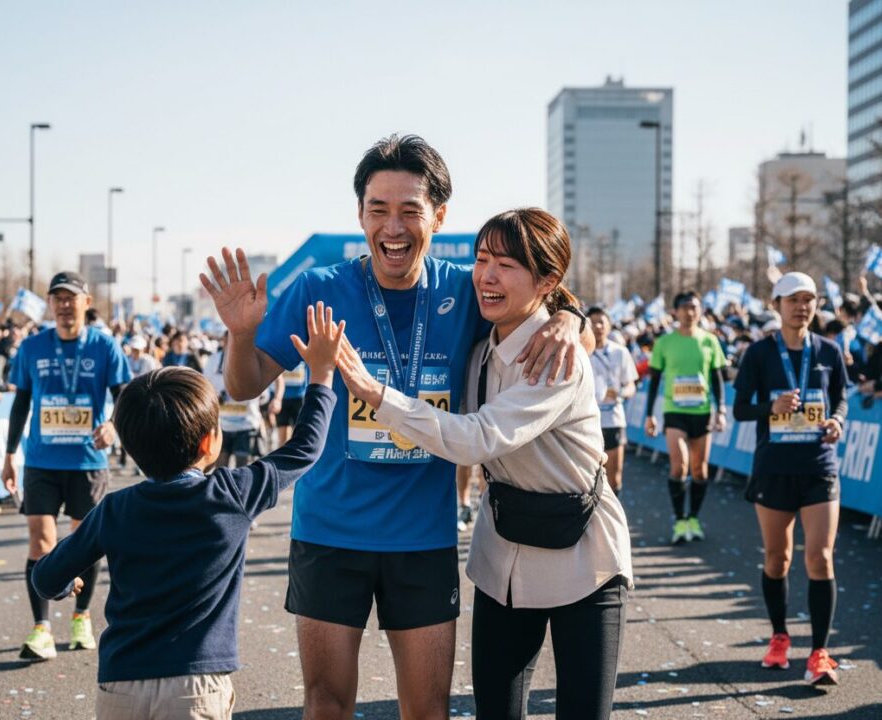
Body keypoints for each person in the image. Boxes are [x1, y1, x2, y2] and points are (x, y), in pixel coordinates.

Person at [200, 134, 591, 719]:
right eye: (378, 210)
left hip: (423, 537)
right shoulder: (318, 290)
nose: (394, 227)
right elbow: (246, 384)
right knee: (326, 703)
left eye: (410, 210)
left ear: (439, 215)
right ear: (359, 214)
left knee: (427, 710)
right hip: (330, 530)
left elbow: (536, 298)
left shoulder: (465, 288)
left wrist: (567, 317)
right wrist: (240, 333)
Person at [331, 208, 632, 720]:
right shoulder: (479, 342)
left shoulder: (558, 358)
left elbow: (477, 439)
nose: (486, 275)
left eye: (506, 264)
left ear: (547, 280)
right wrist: (570, 315)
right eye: (481, 258)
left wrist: (376, 395)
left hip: (584, 554)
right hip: (504, 555)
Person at [31, 304, 340, 720]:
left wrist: (65, 586)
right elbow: (304, 449)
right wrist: (321, 376)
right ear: (209, 444)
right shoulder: (231, 495)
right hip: (197, 686)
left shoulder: (115, 509)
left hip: (121, 683)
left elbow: (45, 577)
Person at [1, 271, 132, 661]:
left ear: (86, 301)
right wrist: (9, 455)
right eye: (57, 297)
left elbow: (123, 396)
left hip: (87, 461)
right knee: (41, 543)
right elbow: (21, 404)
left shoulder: (105, 346)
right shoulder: (32, 347)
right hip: (41, 460)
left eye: (71, 297)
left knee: (84, 545)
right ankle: (41, 628)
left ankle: (80, 616)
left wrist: (113, 425)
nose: (63, 303)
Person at [732, 272, 847, 686]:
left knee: (820, 557)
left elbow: (842, 398)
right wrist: (772, 405)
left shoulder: (830, 350)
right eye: (792, 299)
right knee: (777, 558)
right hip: (775, 468)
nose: (802, 306)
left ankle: (819, 653)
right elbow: (740, 409)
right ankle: (780, 637)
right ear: (775, 304)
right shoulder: (760, 353)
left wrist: (836, 420)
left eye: (809, 299)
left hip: (819, 465)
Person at [644, 291, 728, 544]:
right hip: (675, 411)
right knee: (679, 465)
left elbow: (717, 378)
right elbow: (655, 380)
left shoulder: (710, 341)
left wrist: (721, 409)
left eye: (695, 307)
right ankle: (680, 520)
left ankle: (694, 517)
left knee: (700, 470)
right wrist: (649, 414)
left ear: (701, 311)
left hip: (702, 412)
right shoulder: (664, 343)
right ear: (676, 312)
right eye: (685, 307)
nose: (690, 312)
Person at [587, 306, 639, 496]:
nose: (597, 326)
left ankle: (611, 522)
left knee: (614, 479)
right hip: (586, 423)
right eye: (592, 322)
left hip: (613, 421)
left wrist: (620, 393)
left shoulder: (620, 352)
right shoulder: (580, 352)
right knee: (587, 478)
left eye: (602, 322)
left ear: (609, 326)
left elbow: (631, 385)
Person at [205, 334, 277, 468]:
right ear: (224, 341)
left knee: (242, 468)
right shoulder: (213, 361)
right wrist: (215, 396)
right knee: (220, 468)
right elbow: (205, 386)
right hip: (222, 425)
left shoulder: (252, 359)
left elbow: (264, 394)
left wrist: (250, 394)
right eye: (228, 340)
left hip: (247, 425)